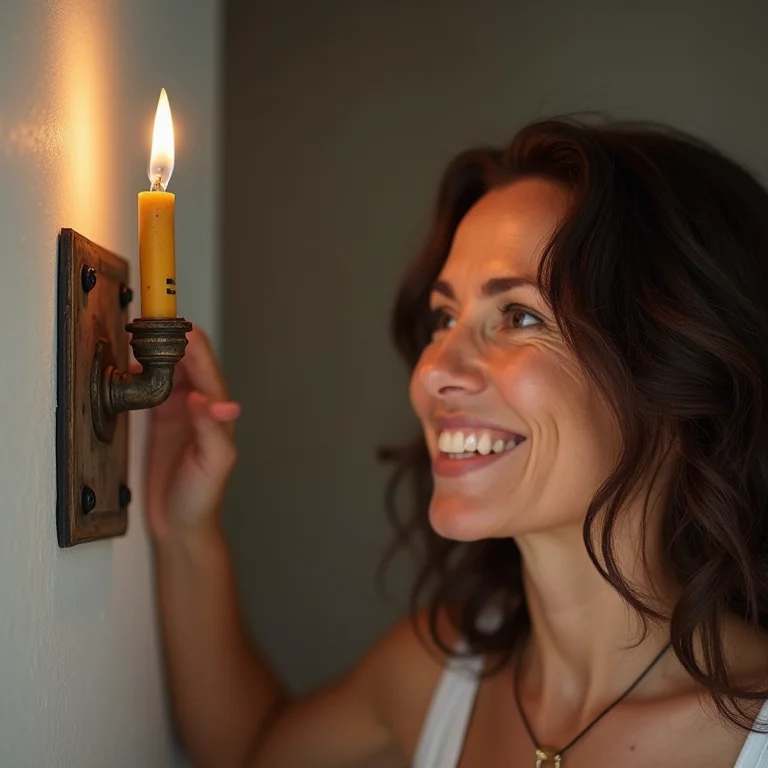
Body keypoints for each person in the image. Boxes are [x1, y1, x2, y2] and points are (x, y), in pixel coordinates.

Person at [146, 117, 768, 767]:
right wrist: (188, 533)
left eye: (519, 316)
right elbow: (250, 753)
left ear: (679, 374)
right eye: (445, 317)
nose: (434, 369)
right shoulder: (437, 669)